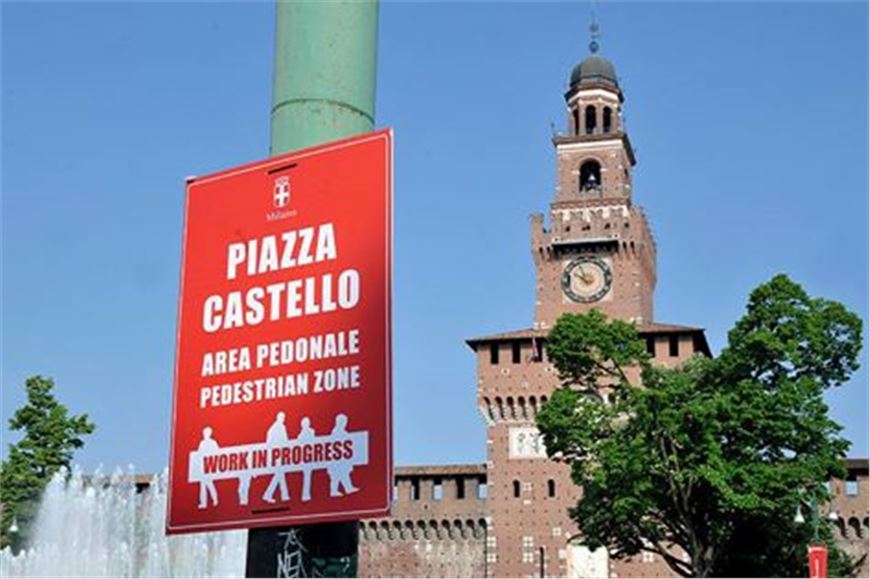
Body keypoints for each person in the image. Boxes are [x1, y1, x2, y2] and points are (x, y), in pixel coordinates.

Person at [327, 414, 359, 497]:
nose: (345, 423)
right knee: (336, 476)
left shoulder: (342, 432)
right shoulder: (336, 432)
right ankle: (333, 490)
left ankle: (348, 488)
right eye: (343, 422)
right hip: (336, 461)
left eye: (345, 422)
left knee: (344, 474)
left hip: (342, 460)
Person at [263, 411, 290, 503]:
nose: (283, 419)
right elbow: (284, 441)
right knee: (279, 474)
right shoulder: (278, 428)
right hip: (277, 455)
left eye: (284, 418)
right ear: (279, 418)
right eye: (282, 417)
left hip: (277, 455)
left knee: (280, 474)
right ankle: (268, 494)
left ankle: (284, 495)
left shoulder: (276, 428)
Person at [197, 426, 220, 509]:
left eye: (206, 433)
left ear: (209, 434)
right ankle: (203, 503)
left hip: (210, 467)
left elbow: (218, 453)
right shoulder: (202, 443)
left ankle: (215, 499)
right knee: (203, 485)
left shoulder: (213, 443)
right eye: (204, 433)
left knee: (209, 484)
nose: (204, 434)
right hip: (202, 468)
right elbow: (198, 454)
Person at [297, 417, 316, 502]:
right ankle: (305, 495)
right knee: (306, 477)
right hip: (303, 459)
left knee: (307, 477)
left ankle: (306, 495)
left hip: (309, 458)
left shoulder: (310, 431)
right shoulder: (301, 434)